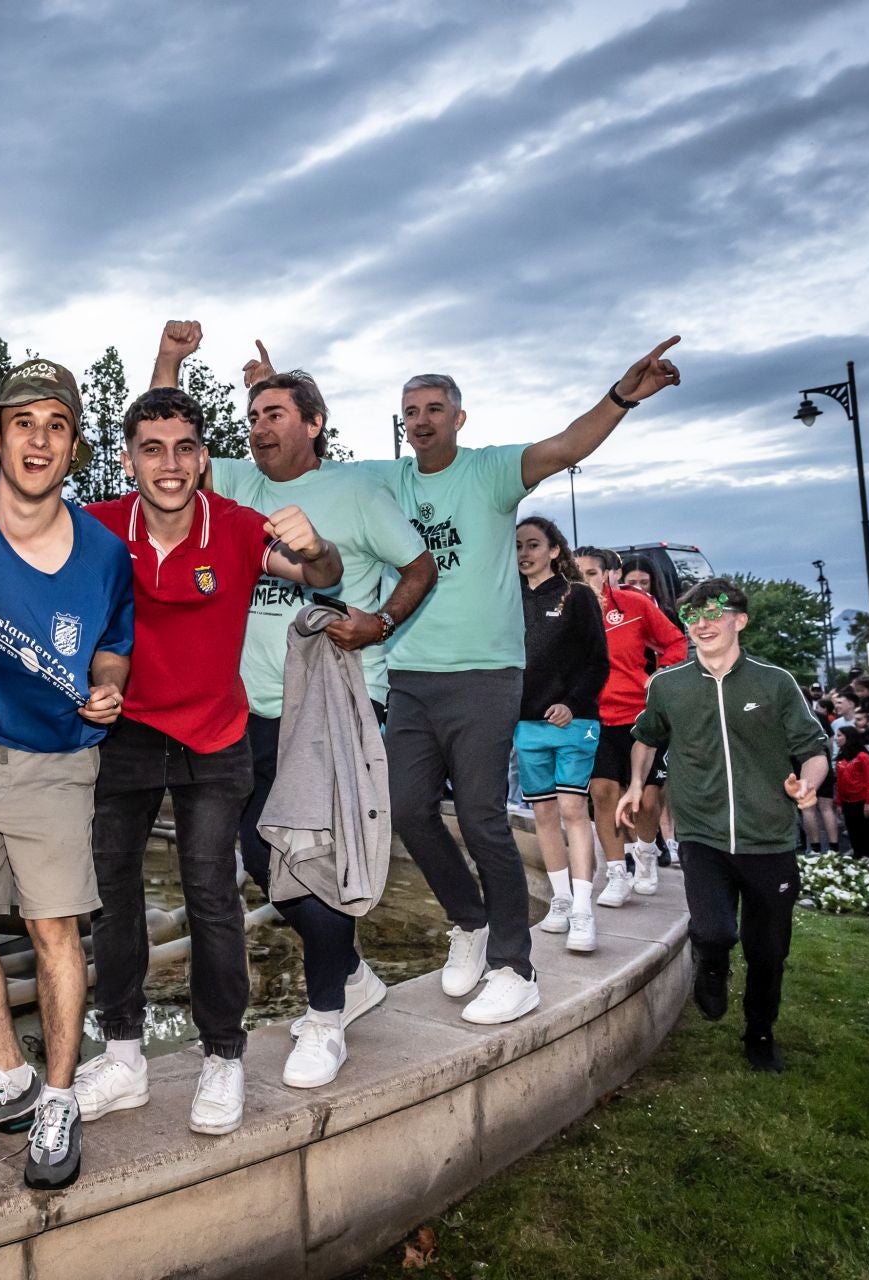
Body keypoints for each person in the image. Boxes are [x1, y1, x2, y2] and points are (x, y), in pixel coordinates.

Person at [223, 338, 681, 1027]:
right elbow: (300, 456)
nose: (421, 420)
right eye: (410, 411)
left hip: (486, 673)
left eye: (435, 408)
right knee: (408, 811)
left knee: (481, 816)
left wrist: (621, 396)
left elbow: (565, 448)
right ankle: (468, 921)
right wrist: (269, 386)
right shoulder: (388, 479)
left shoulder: (492, 473)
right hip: (410, 677)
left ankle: (514, 966)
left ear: (459, 418)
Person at [150, 322, 437, 1079]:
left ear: (314, 424)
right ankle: (351, 976)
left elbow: (420, 566)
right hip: (244, 711)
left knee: (312, 858)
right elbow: (164, 437)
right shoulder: (236, 486)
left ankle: (325, 1020)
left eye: (274, 415)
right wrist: (173, 362)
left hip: (332, 705)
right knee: (260, 857)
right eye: (251, 417)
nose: (258, 427)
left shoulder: (357, 491)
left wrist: (383, 621)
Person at [76, 384, 342, 1134]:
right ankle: (124, 1059)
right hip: (122, 735)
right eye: (152, 449)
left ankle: (222, 1056)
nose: (170, 464)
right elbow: (20, 543)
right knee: (113, 898)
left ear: (202, 456)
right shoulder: (94, 528)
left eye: (185, 448)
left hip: (215, 737)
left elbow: (322, 579)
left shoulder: (238, 526)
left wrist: (318, 548)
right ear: (129, 459)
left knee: (211, 894)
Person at [0, 359, 133, 1193]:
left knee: (53, 931)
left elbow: (115, 638)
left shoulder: (105, 553)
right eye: (22, 422)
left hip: (58, 758)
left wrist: (109, 684)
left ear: (72, 445)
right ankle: (7, 1075)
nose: (37, 438)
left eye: (55, 424)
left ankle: (58, 1096)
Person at [618, 578, 828, 1072]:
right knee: (712, 930)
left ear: (740, 621)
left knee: (768, 952)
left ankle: (759, 1032)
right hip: (702, 834)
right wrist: (633, 783)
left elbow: (813, 749)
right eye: (693, 617)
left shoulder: (774, 682)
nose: (703, 624)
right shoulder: (669, 685)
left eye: (715, 613)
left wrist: (809, 782)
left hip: (769, 838)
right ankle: (711, 962)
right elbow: (646, 738)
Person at [514, 516, 608, 952]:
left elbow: (597, 661)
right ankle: (562, 902)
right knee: (544, 815)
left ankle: (585, 910)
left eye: (533, 545)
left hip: (575, 722)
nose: (524, 553)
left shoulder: (579, 596)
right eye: (517, 546)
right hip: (526, 724)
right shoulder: (507, 598)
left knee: (573, 807)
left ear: (554, 550)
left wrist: (572, 703)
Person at [575, 546, 686, 906]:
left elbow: (675, 642)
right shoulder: (569, 613)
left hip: (640, 718)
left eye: (591, 573)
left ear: (608, 574)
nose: (584, 580)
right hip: (594, 718)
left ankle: (646, 855)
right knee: (603, 793)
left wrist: (659, 678)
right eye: (576, 574)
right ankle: (616, 873)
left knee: (648, 801)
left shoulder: (635, 606)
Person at [619, 553, 687, 864]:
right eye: (631, 582)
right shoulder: (616, 613)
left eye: (643, 582)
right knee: (624, 784)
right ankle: (636, 845)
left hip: (656, 705)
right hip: (622, 709)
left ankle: (661, 835)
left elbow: (677, 647)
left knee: (653, 788)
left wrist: (660, 675)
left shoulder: (666, 615)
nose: (637, 587)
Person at [834, 726, 869, 861]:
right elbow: (839, 782)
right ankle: (858, 856)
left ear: (849, 737)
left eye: (840, 735)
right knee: (853, 831)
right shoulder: (841, 758)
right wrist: (839, 803)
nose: (836, 738)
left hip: (862, 801)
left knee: (866, 831)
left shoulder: (863, 757)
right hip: (847, 801)